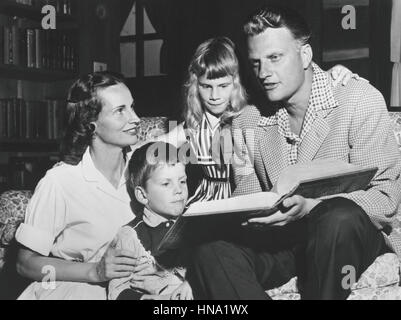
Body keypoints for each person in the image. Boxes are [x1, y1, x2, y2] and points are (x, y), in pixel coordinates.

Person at [187, 6, 401, 300]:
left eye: (275, 58)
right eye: (256, 62)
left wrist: (311, 206)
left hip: (349, 236)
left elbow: (385, 199)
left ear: (304, 55)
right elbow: (247, 198)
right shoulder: (247, 120)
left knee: (338, 219)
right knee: (210, 251)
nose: (264, 73)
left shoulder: (358, 100)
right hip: (286, 239)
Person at [159, 36, 357, 207]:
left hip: (243, 201)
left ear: (236, 83)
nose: (215, 95)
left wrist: (335, 72)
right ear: (195, 86)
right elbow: (152, 150)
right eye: (206, 86)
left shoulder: (252, 116)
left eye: (223, 85)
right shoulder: (193, 126)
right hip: (201, 203)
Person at [15, 72, 144, 300]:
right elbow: (25, 264)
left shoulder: (146, 168)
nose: (135, 118)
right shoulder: (60, 181)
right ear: (90, 123)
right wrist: (94, 272)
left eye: (132, 107)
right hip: (77, 289)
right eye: (120, 111)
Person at [108, 142, 193, 300]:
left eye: (182, 181)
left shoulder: (195, 221)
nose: (179, 190)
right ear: (142, 195)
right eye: (166, 184)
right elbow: (117, 291)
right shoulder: (129, 236)